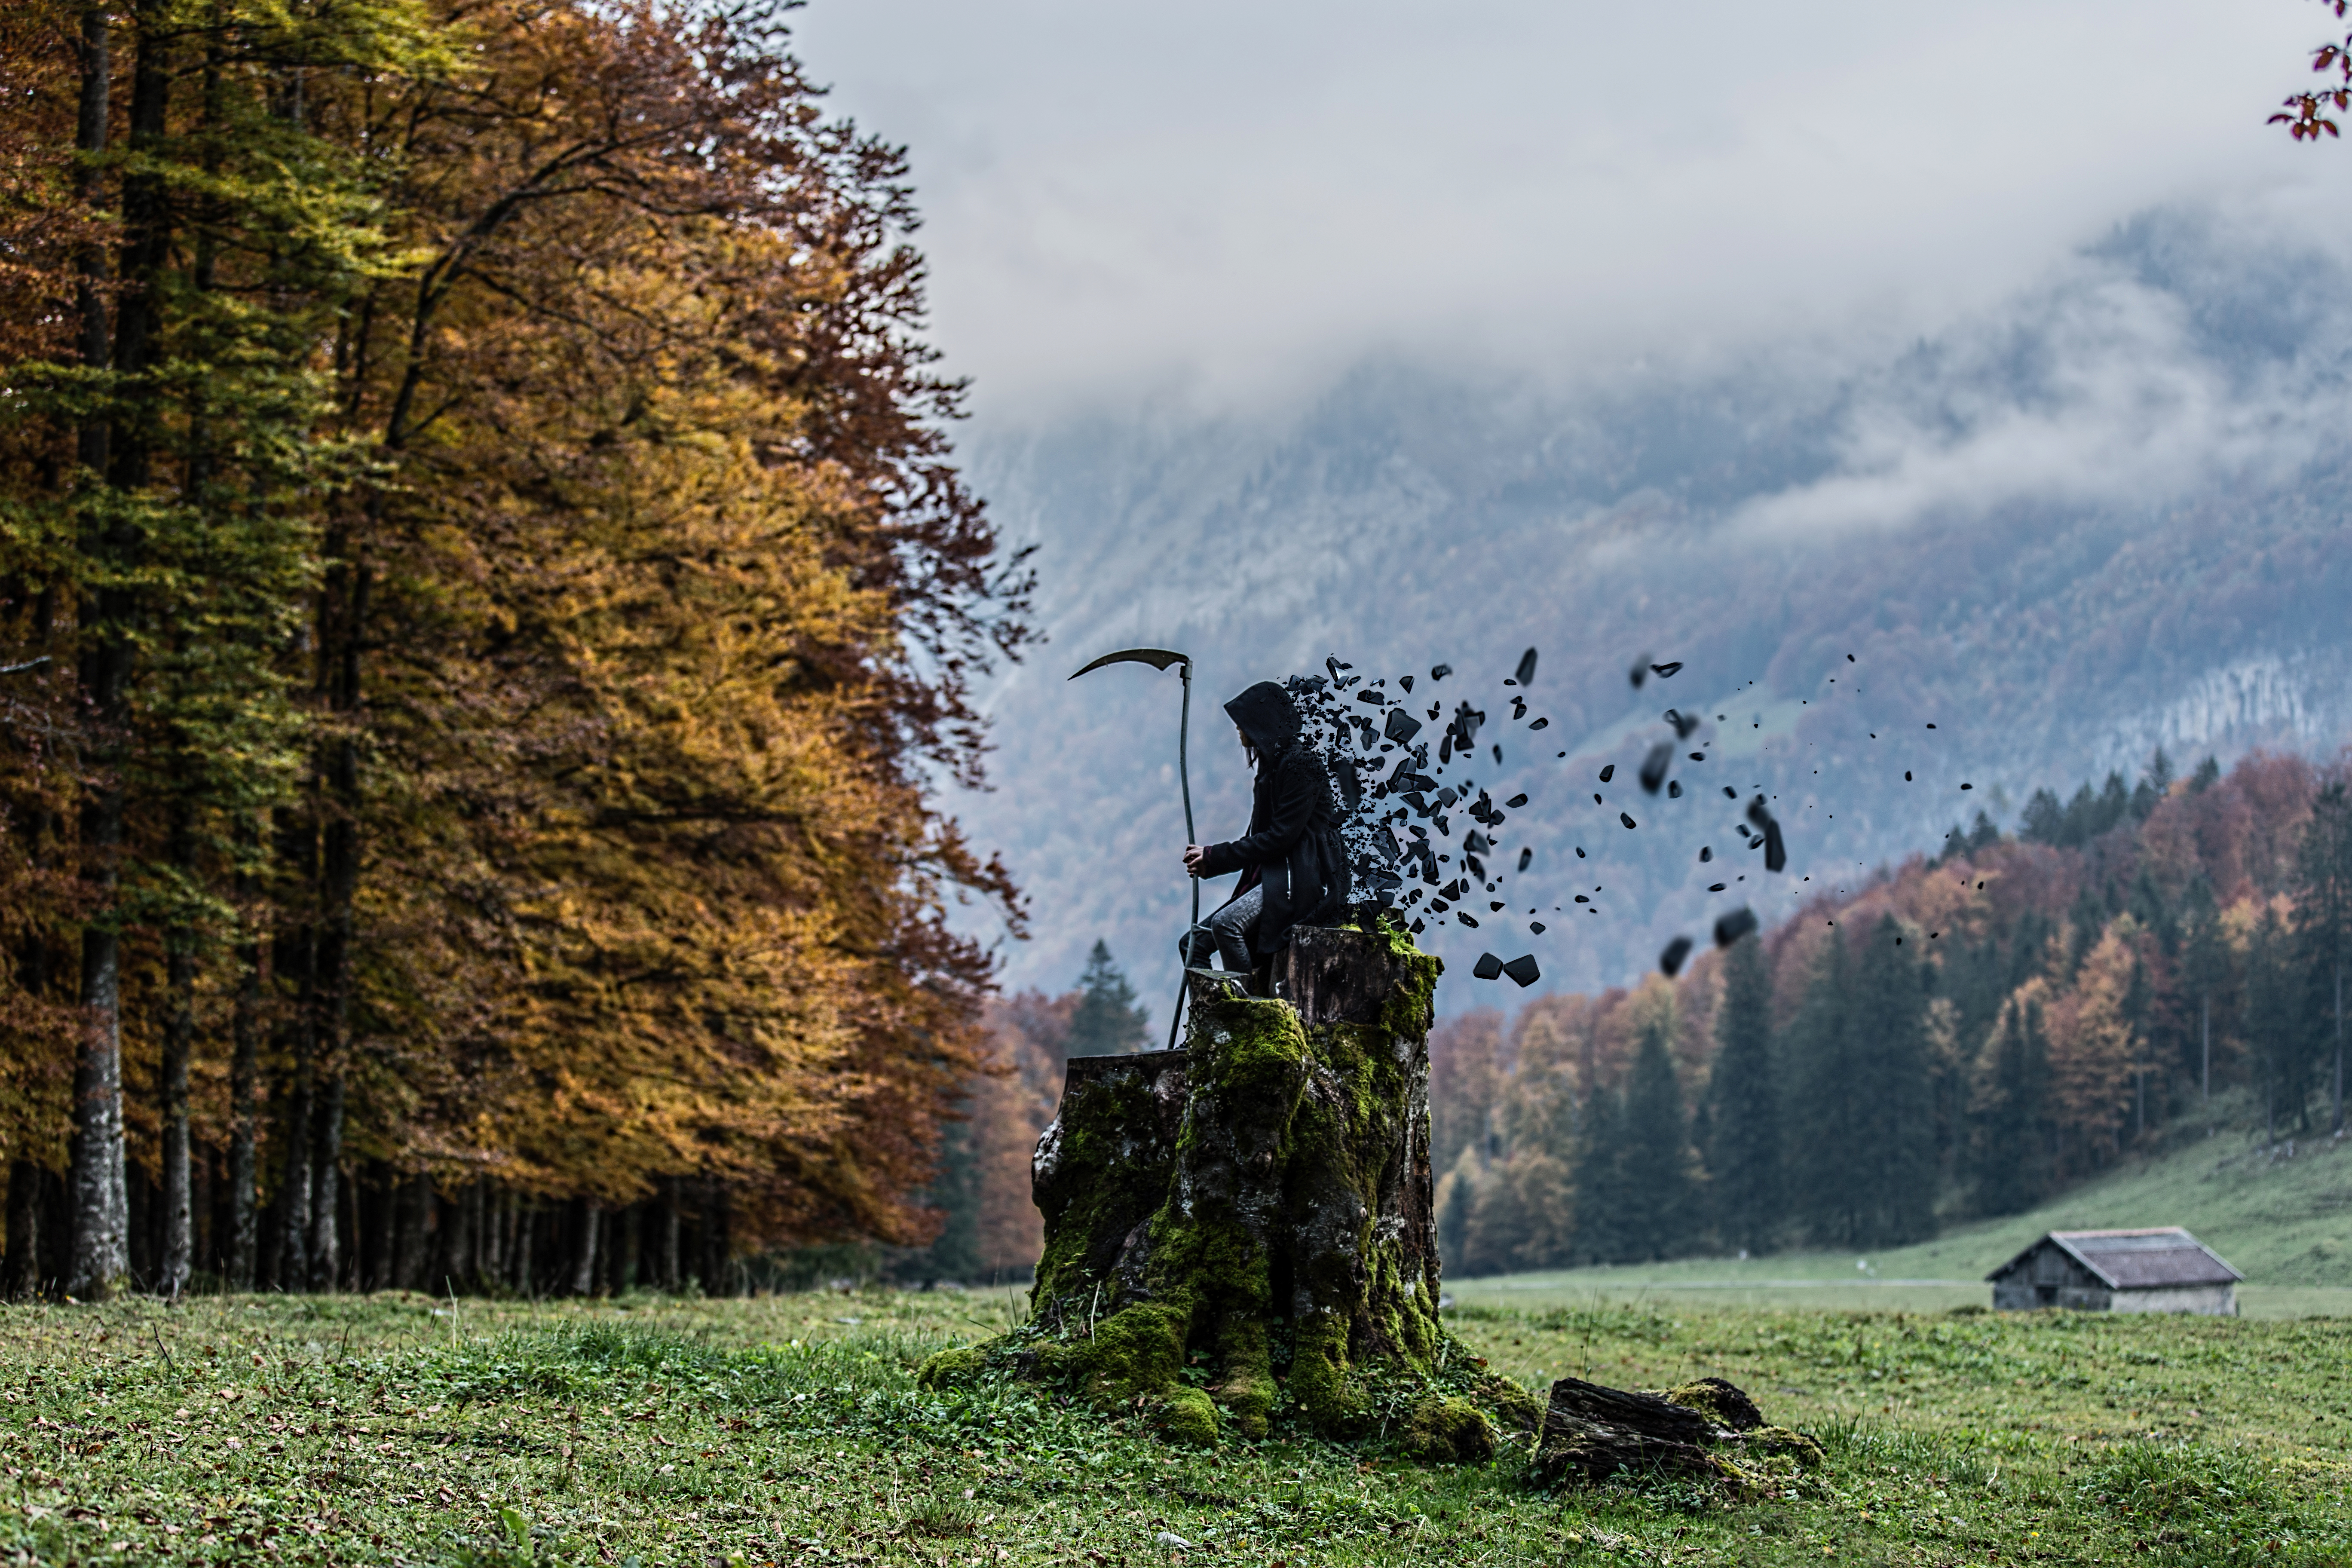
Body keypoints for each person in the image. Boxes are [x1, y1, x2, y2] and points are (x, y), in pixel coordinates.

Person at [1179, 680, 1350, 989]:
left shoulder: (1302, 765)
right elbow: (1263, 837)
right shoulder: (1272, 769)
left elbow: (1281, 837)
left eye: (1243, 723)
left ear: (1263, 723)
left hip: (1303, 875)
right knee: (1193, 944)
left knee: (1226, 925)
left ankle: (1247, 1013)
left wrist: (1215, 856)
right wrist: (1213, 862)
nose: (1238, 730)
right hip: (1273, 874)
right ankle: (1215, 1022)